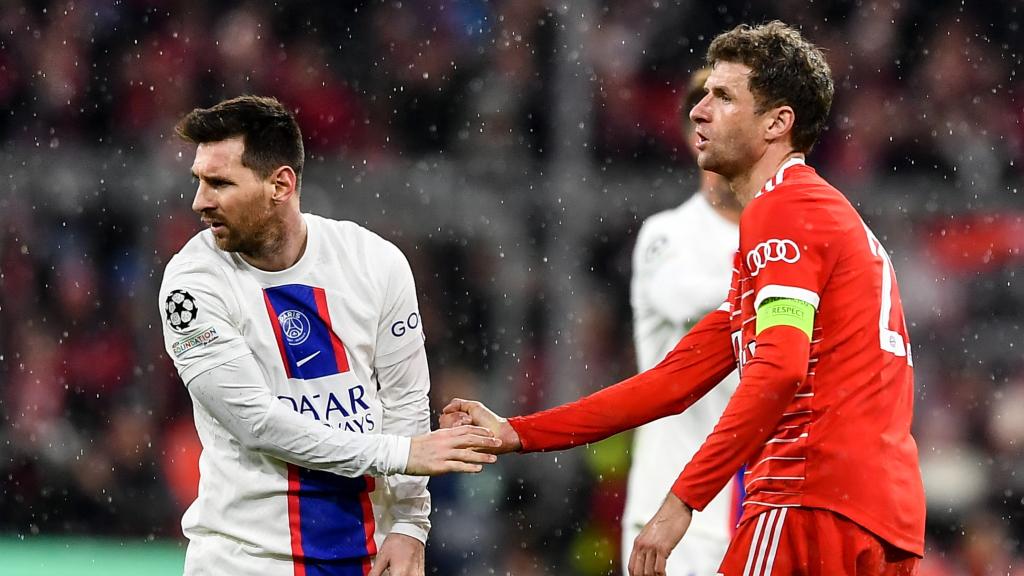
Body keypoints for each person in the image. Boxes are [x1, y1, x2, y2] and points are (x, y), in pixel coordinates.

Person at [443, 21, 925, 576]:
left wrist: (680, 503)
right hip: (880, 519)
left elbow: (779, 369)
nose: (699, 111)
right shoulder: (815, 221)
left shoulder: (784, 209)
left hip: (806, 501)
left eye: (723, 97)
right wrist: (517, 432)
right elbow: (671, 383)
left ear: (777, 122)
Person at [158, 95, 501, 576]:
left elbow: (405, 400)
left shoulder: (376, 263)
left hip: (366, 554)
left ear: (280, 184)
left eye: (219, 183)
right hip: (246, 559)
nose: (200, 201)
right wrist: (401, 454)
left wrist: (408, 526)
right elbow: (257, 422)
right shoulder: (191, 287)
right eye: (198, 181)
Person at [624, 67, 743, 576]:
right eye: (704, 111)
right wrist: (792, 277)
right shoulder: (666, 234)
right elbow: (685, 300)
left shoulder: (783, 236)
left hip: (761, 501)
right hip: (674, 512)